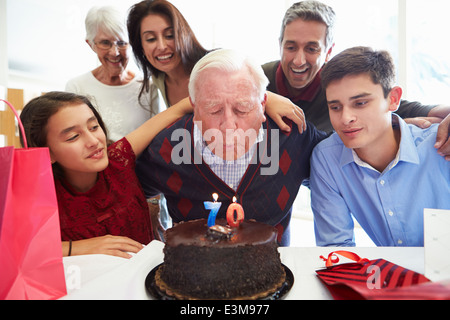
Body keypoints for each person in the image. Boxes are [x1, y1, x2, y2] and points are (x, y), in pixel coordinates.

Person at [136, 49, 328, 246]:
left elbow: (345, 161)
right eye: (214, 109)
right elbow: (117, 185)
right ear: (194, 107)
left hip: (278, 270)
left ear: (263, 105)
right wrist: (148, 214)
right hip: (193, 273)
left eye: (243, 108)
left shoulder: (292, 136)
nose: (228, 125)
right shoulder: (169, 146)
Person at [262, 1, 450, 159]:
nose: (298, 60)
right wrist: (263, 98)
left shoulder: (336, 86)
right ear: (280, 45)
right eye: (291, 47)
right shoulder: (258, 79)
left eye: (312, 49)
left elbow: (408, 108)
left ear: (328, 52)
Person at [20, 92, 191, 258]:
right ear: (46, 153)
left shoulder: (119, 159)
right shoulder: (40, 196)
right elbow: (18, 250)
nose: (94, 141)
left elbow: (178, 109)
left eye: (94, 127)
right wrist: (76, 247)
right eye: (73, 137)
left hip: (145, 280)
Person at [310, 47, 450, 247]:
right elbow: (336, 248)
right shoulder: (326, 158)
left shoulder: (441, 144)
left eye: (360, 103)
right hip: (389, 276)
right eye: (335, 107)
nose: (345, 118)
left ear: (393, 99)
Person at [66, 6, 162, 142]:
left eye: (122, 43)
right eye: (105, 43)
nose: (115, 52)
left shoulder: (148, 86)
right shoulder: (76, 87)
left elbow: (155, 138)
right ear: (91, 44)